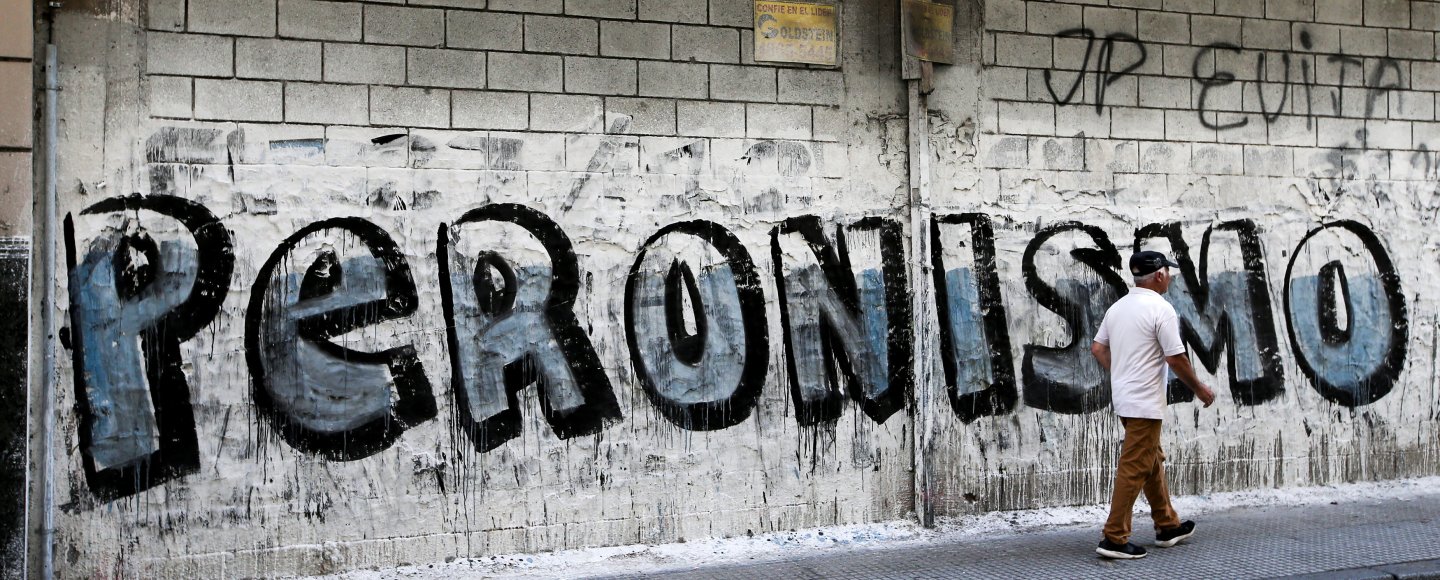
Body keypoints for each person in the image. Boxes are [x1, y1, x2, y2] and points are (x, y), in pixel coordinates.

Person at [1090, 250, 1216, 560]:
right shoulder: (1161, 309)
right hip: (1145, 402)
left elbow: (1098, 348)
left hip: (1125, 398)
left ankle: (1167, 524)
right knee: (1135, 466)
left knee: (1150, 460)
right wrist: (1200, 389)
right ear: (1159, 275)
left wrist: (1121, 373)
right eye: (1168, 272)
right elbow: (1176, 358)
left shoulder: (1118, 308)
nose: (1170, 277)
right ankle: (1114, 537)